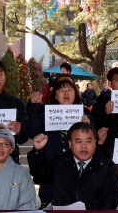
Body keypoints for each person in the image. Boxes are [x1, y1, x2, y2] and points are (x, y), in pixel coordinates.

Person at [26, 79, 93, 207]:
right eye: (61, 91)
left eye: (69, 90)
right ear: (56, 96)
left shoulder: (86, 117)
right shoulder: (45, 115)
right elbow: (32, 132)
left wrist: (89, 128)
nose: (66, 93)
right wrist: (34, 107)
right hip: (50, 180)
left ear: (76, 94)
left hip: (79, 183)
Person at [28, 122, 118, 209]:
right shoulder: (60, 162)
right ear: (70, 144)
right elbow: (38, 173)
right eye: (79, 142)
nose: (84, 146)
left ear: (95, 143)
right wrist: (37, 151)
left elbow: (111, 200)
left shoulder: (106, 166)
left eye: (88, 142)